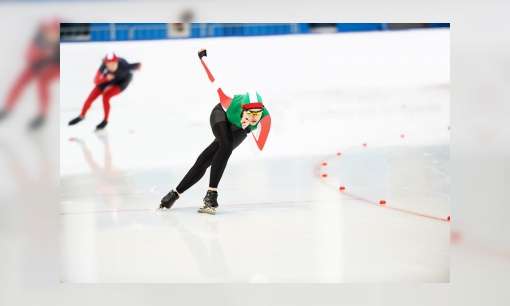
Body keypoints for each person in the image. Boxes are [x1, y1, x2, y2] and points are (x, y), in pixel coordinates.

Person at [158, 48, 272, 215]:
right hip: (221, 116)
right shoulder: (228, 100)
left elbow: (257, 150)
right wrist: (203, 57)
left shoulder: (265, 119)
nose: (255, 116)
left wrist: (248, 129)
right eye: (250, 112)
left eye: (258, 112)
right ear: (243, 108)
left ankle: (174, 194)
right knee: (226, 145)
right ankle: (212, 194)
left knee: (205, 160)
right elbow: (216, 78)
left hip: (240, 129)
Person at [0, 18, 60, 129]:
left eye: (54, 32)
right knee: (21, 80)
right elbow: (29, 55)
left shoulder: (63, 42)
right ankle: (7, 108)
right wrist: (41, 55)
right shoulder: (38, 40)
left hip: (57, 65)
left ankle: (42, 115)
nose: (51, 35)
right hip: (38, 63)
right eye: (48, 32)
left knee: (43, 82)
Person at [68, 52, 141, 130]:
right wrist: (106, 78)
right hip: (108, 79)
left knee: (106, 97)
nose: (111, 67)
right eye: (108, 65)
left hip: (122, 82)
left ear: (117, 62)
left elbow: (139, 64)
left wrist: (138, 69)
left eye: (113, 64)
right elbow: (96, 80)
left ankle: (105, 121)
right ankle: (81, 116)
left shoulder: (126, 66)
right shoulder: (103, 65)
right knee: (90, 98)